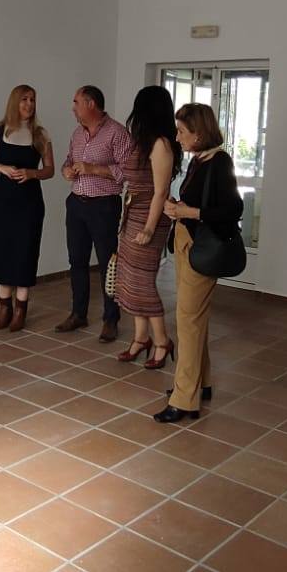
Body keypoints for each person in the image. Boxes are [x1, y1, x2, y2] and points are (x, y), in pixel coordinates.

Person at [155, 102, 243, 423]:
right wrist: (179, 207)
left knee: (187, 321)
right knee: (193, 319)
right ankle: (200, 383)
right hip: (187, 243)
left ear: (199, 133)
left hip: (201, 248)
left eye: (182, 131)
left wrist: (188, 212)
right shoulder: (199, 160)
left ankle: (184, 399)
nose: (177, 137)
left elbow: (232, 209)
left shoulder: (219, 162)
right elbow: (199, 202)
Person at [113, 86, 182, 369]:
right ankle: (141, 338)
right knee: (129, 278)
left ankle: (162, 341)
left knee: (142, 281)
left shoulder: (161, 144)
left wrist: (150, 228)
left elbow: (161, 191)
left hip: (149, 217)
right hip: (132, 214)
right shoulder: (142, 141)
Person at [0, 84, 54, 332]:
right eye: (24, 99)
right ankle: (4, 307)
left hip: (29, 203)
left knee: (25, 251)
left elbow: (50, 170)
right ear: (14, 102)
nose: (29, 104)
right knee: (1, 250)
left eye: (32, 99)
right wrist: (1, 167)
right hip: (0, 203)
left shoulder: (41, 134)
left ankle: (21, 308)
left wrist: (32, 173)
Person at [58, 85, 132, 342]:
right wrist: (66, 170)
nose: (73, 108)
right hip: (76, 204)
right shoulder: (77, 134)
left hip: (103, 206)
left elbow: (127, 170)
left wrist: (93, 169)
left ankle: (111, 319)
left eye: (76, 102)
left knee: (107, 264)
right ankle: (78, 313)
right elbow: (68, 160)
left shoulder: (117, 133)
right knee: (76, 261)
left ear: (91, 104)